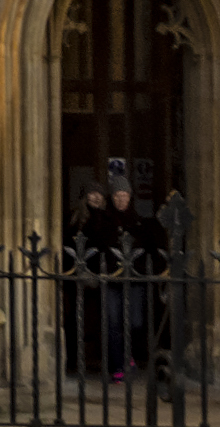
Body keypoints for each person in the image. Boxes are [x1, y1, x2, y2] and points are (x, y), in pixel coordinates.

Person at [67, 157, 161, 376]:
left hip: (134, 279)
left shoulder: (138, 220)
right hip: (110, 278)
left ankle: (127, 356)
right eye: (118, 195)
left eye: (125, 195)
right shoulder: (103, 219)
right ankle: (117, 365)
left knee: (135, 322)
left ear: (130, 197)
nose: (121, 199)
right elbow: (91, 242)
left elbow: (150, 247)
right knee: (112, 323)